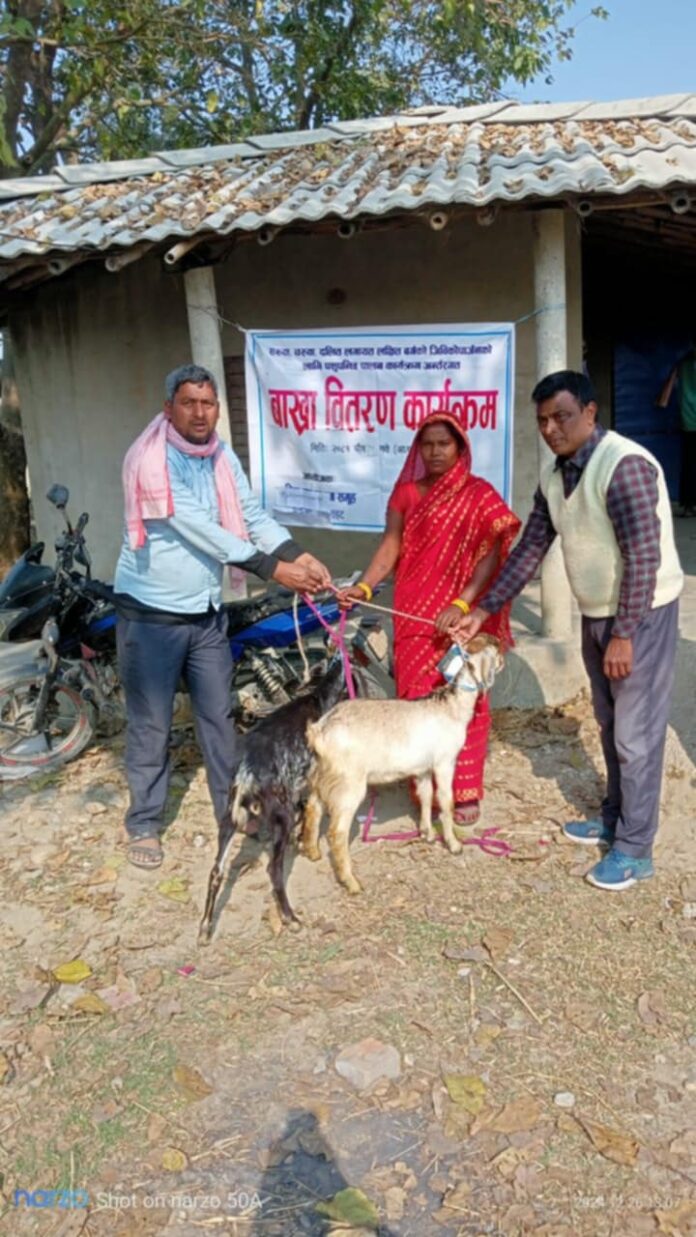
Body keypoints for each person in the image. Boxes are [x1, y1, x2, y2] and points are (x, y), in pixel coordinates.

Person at [456, 371, 684, 891]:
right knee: (609, 723)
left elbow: (642, 557)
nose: (551, 429)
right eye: (542, 420)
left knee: (635, 735)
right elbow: (530, 550)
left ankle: (635, 849)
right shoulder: (556, 475)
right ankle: (615, 817)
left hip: (641, 614)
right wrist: (483, 606)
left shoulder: (623, 466)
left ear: (590, 412)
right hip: (598, 612)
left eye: (561, 416)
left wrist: (624, 633)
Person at [113, 364, 331, 869]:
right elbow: (203, 531)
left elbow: (250, 515)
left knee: (219, 718)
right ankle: (144, 822)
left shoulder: (219, 455)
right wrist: (275, 570)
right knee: (152, 724)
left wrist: (297, 555)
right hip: (151, 615)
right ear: (169, 408)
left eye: (207, 403)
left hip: (206, 613)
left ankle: (233, 810)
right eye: (188, 403)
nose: (199, 413)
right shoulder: (151, 461)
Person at [339, 412, 520, 825]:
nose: (435, 451)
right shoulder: (406, 494)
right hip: (414, 612)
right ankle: (426, 787)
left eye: (444, 444)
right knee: (417, 699)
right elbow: (391, 546)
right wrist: (364, 587)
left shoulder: (479, 494)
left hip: (461, 615)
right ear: (418, 449)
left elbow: (492, 554)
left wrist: (463, 604)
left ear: (460, 448)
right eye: (428, 444)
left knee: (465, 697)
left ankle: (464, 789)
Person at [656, 345, 696, 517]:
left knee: (689, 464)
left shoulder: (682, 365)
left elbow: (665, 395)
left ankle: (689, 505)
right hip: (688, 420)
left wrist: (662, 401)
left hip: (688, 421)